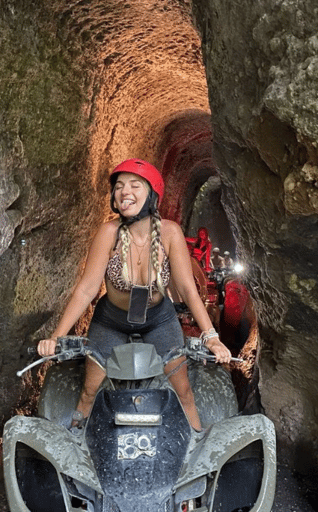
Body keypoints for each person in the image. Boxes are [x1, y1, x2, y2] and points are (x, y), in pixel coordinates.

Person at [37, 159, 231, 432]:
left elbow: (188, 289)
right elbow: (87, 289)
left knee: (184, 391)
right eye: (118, 187)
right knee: (89, 391)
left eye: (135, 185)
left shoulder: (170, 233)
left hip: (159, 319)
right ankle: (77, 446)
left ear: (152, 194)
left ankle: (196, 449)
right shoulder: (108, 233)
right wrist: (57, 336)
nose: (124, 191)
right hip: (111, 321)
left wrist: (212, 338)